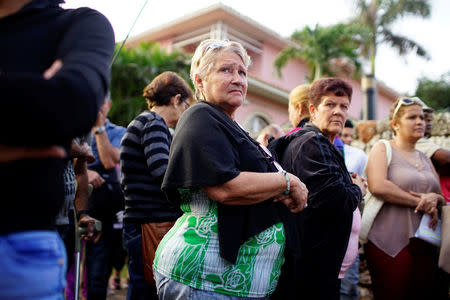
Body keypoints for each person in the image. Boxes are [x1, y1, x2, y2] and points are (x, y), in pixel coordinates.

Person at [152, 39, 308, 299]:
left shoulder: (231, 126)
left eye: (242, 72)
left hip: (235, 284)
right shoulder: (200, 116)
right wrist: (289, 181)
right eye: (226, 70)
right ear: (199, 80)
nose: (238, 79)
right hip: (204, 280)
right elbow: (225, 187)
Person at [0, 0, 114, 298]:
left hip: (32, 232)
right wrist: (36, 109)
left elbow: (71, 105)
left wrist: (83, 212)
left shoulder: (78, 25)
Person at [270, 77, 366, 300]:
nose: (338, 112)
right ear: (312, 109)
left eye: (343, 107)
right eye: (330, 105)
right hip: (313, 267)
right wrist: (358, 189)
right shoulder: (313, 142)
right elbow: (334, 200)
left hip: (316, 264)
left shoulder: (319, 142)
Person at [365, 96, 447, 299]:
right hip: (388, 240)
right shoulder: (383, 148)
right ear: (395, 124)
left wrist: (434, 199)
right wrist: (419, 201)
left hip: (426, 242)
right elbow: (378, 185)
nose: (420, 122)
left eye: (421, 117)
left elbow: (439, 196)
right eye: (412, 117)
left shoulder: (425, 158)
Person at [120, 71, 193, 300]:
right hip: (149, 225)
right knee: (147, 292)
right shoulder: (153, 123)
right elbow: (162, 171)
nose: (185, 112)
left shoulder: (145, 122)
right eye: (186, 105)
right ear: (175, 99)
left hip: (144, 223)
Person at [86, 95, 127, 300]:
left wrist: (99, 127)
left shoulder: (120, 132)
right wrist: (86, 174)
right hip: (78, 206)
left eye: (101, 101)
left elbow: (109, 161)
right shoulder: (75, 128)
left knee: (99, 271)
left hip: (107, 209)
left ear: (109, 105)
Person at [339, 120, 368, 300]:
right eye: (344, 135)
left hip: (352, 229)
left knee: (349, 289)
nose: (347, 139)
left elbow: (363, 189)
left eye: (350, 135)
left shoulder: (359, 155)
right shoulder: (323, 150)